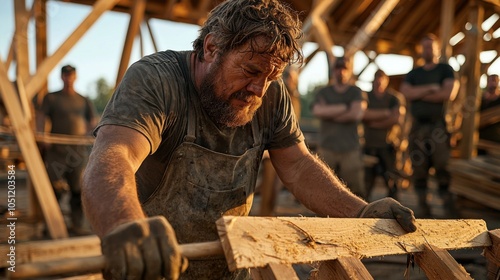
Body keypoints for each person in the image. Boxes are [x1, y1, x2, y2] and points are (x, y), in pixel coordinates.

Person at [81, 1, 417, 279]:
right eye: (251, 71)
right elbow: (116, 154)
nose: (259, 90)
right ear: (211, 47)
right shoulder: (156, 79)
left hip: (230, 264)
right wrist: (123, 225)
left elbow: (298, 166)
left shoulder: (270, 95)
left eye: (272, 77)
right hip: (151, 266)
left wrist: (360, 212)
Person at [400, 34, 459, 218]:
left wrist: (419, 94)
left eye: (431, 47)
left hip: (438, 127)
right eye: (425, 47)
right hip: (418, 127)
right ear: (421, 49)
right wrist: (431, 88)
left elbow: (447, 94)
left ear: (437, 49)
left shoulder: (445, 70)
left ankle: (449, 210)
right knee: (419, 167)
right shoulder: (414, 73)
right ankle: (423, 209)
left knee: (442, 165)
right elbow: (406, 93)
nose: (428, 50)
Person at [37, 65, 97, 235]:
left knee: (77, 190)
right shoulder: (52, 98)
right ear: (61, 77)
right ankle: (51, 227)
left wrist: (87, 135)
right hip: (56, 151)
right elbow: (41, 117)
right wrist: (42, 137)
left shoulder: (83, 100)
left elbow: (92, 121)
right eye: (65, 75)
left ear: (75, 77)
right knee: (53, 190)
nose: (68, 78)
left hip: (76, 153)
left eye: (71, 75)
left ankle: (77, 226)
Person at [311, 57, 367, 198]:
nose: (341, 72)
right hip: (326, 148)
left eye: (344, 68)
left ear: (349, 71)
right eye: (338, 68)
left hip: (350, 149)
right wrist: (345, 107)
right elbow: (317, 111)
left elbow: (356, 114)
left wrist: (329, 113)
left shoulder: (356, 92)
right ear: (333, 70)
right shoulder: (323, 92)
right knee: (322, 188)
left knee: (355, 190)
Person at [258, 65, 301, 216]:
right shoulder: (274, 95)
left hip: (285, 148)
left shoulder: (294, 98)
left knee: (275, 190)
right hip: (270, 150)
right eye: (287, 75)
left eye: (292, 77)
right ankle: (263, 219)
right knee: (267, 190)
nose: (290, 79)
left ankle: (268, 217)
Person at [363, 69, 404, 199]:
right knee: (366, 182)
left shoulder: (394, 98)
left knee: (392, 181)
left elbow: (396, 118)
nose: (379, 83)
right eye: (376, 80)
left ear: (387, 81)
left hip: (388, 146)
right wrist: (386, 114)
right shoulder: (366, 97)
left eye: (382, 80)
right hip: (369, 145)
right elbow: (362, 114)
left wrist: (374, 122)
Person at [479, 74, 500, 146]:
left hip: (494, 138)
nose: (493, 83)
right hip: (479, 138)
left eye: (495, 81)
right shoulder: (480, 100)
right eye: (491, 81)